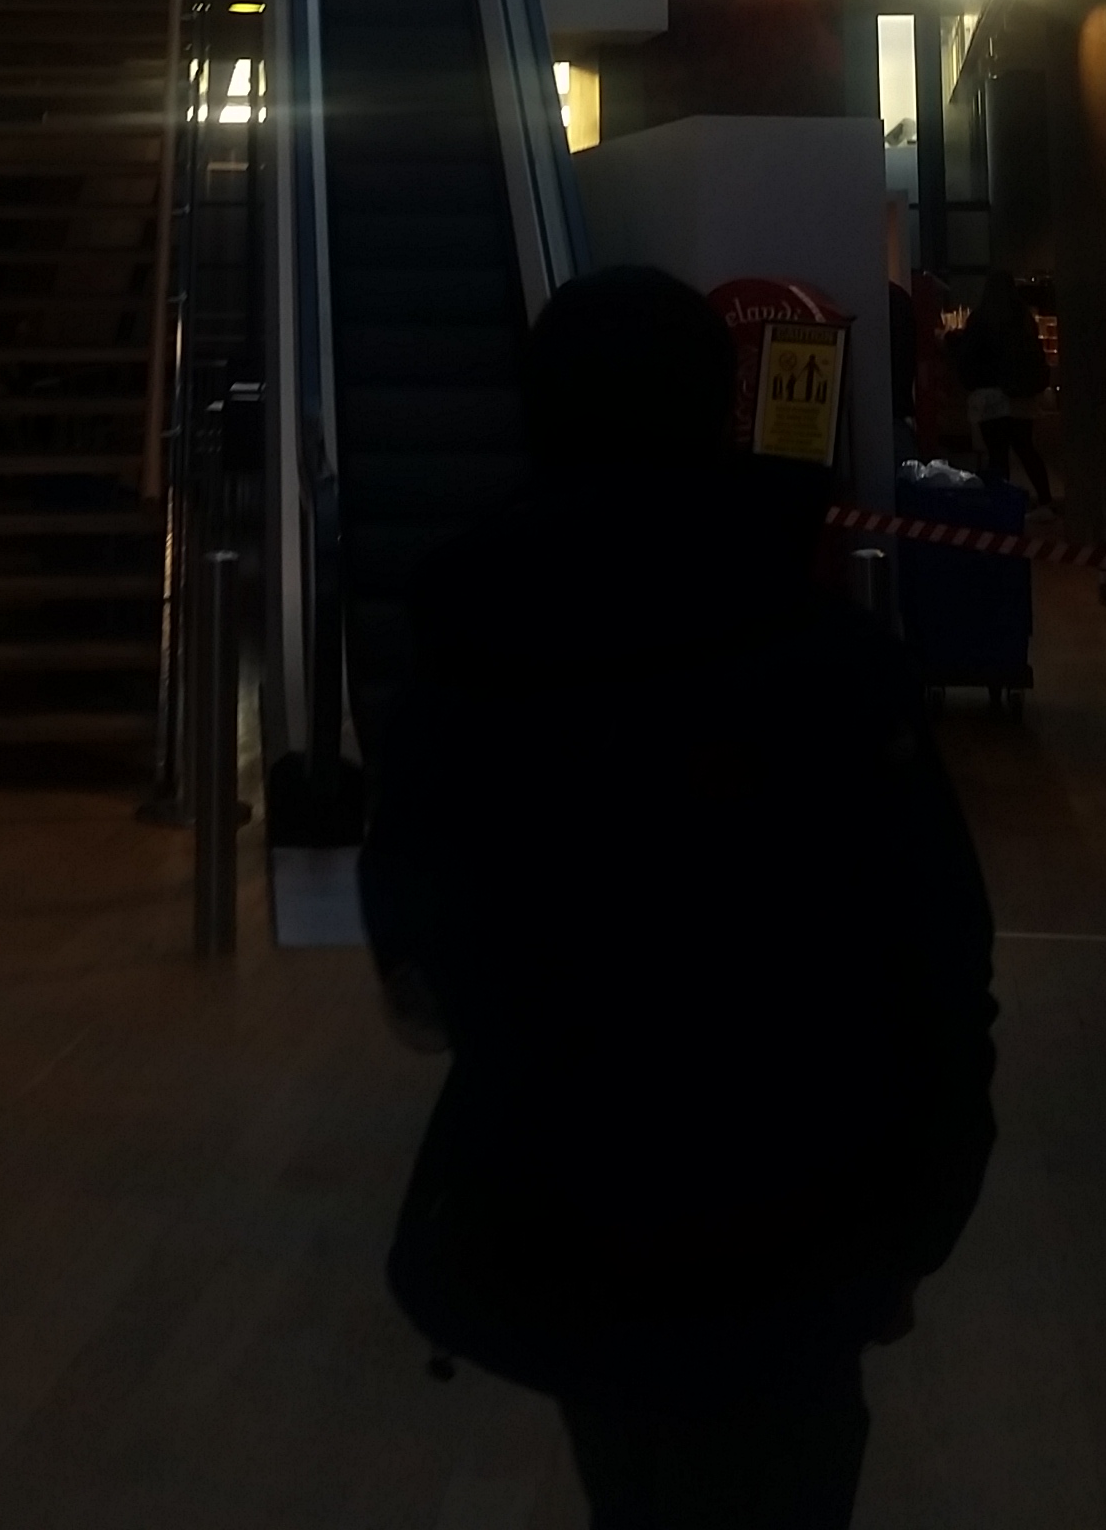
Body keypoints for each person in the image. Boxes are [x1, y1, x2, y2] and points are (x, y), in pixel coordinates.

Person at [358, 266, 997, 1530]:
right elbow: (936, 952)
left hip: (572, 1205)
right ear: (719, 409)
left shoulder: (466, 657)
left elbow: (421, 972)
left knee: (633, 1477)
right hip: (807, 1207)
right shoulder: (829, 662)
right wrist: (922, 1202)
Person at [952, 269, 1053, 512]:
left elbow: (968, 358)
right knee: (1026, 448)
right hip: (1020, 396)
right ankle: (1045, 501)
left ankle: (1003, 504)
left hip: (989, 398)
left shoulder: (981, 318)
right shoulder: (1023, 318)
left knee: (997, 454)